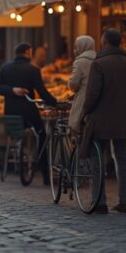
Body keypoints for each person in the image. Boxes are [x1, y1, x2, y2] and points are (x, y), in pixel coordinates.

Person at [0, 43, 57, 184]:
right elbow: (42, 92)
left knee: (16, 135)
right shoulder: (33, 70)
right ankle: (46, 175)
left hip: (10, 114)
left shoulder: (5, 67)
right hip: (29, 113)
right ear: (28, 52)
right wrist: (55, 102)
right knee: (42, 134)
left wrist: (12, 90)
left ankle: (17, 154)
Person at [82, 29, 126, 214]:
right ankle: (124, 201)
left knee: (97, 159)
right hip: (123, 120)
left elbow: (92, 95)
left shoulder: (99, 64)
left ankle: (99, 202)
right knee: (123, 161)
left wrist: (85, 112)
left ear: (105, 41)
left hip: (101, 120)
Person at [67, 36, 96, 133]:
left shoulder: (79, 62)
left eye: (77, 46)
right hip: (97, 100)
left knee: (76, 128)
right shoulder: (98, 59)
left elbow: (73, 84)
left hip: (83, 100)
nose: (75, 49)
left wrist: (70, 83)